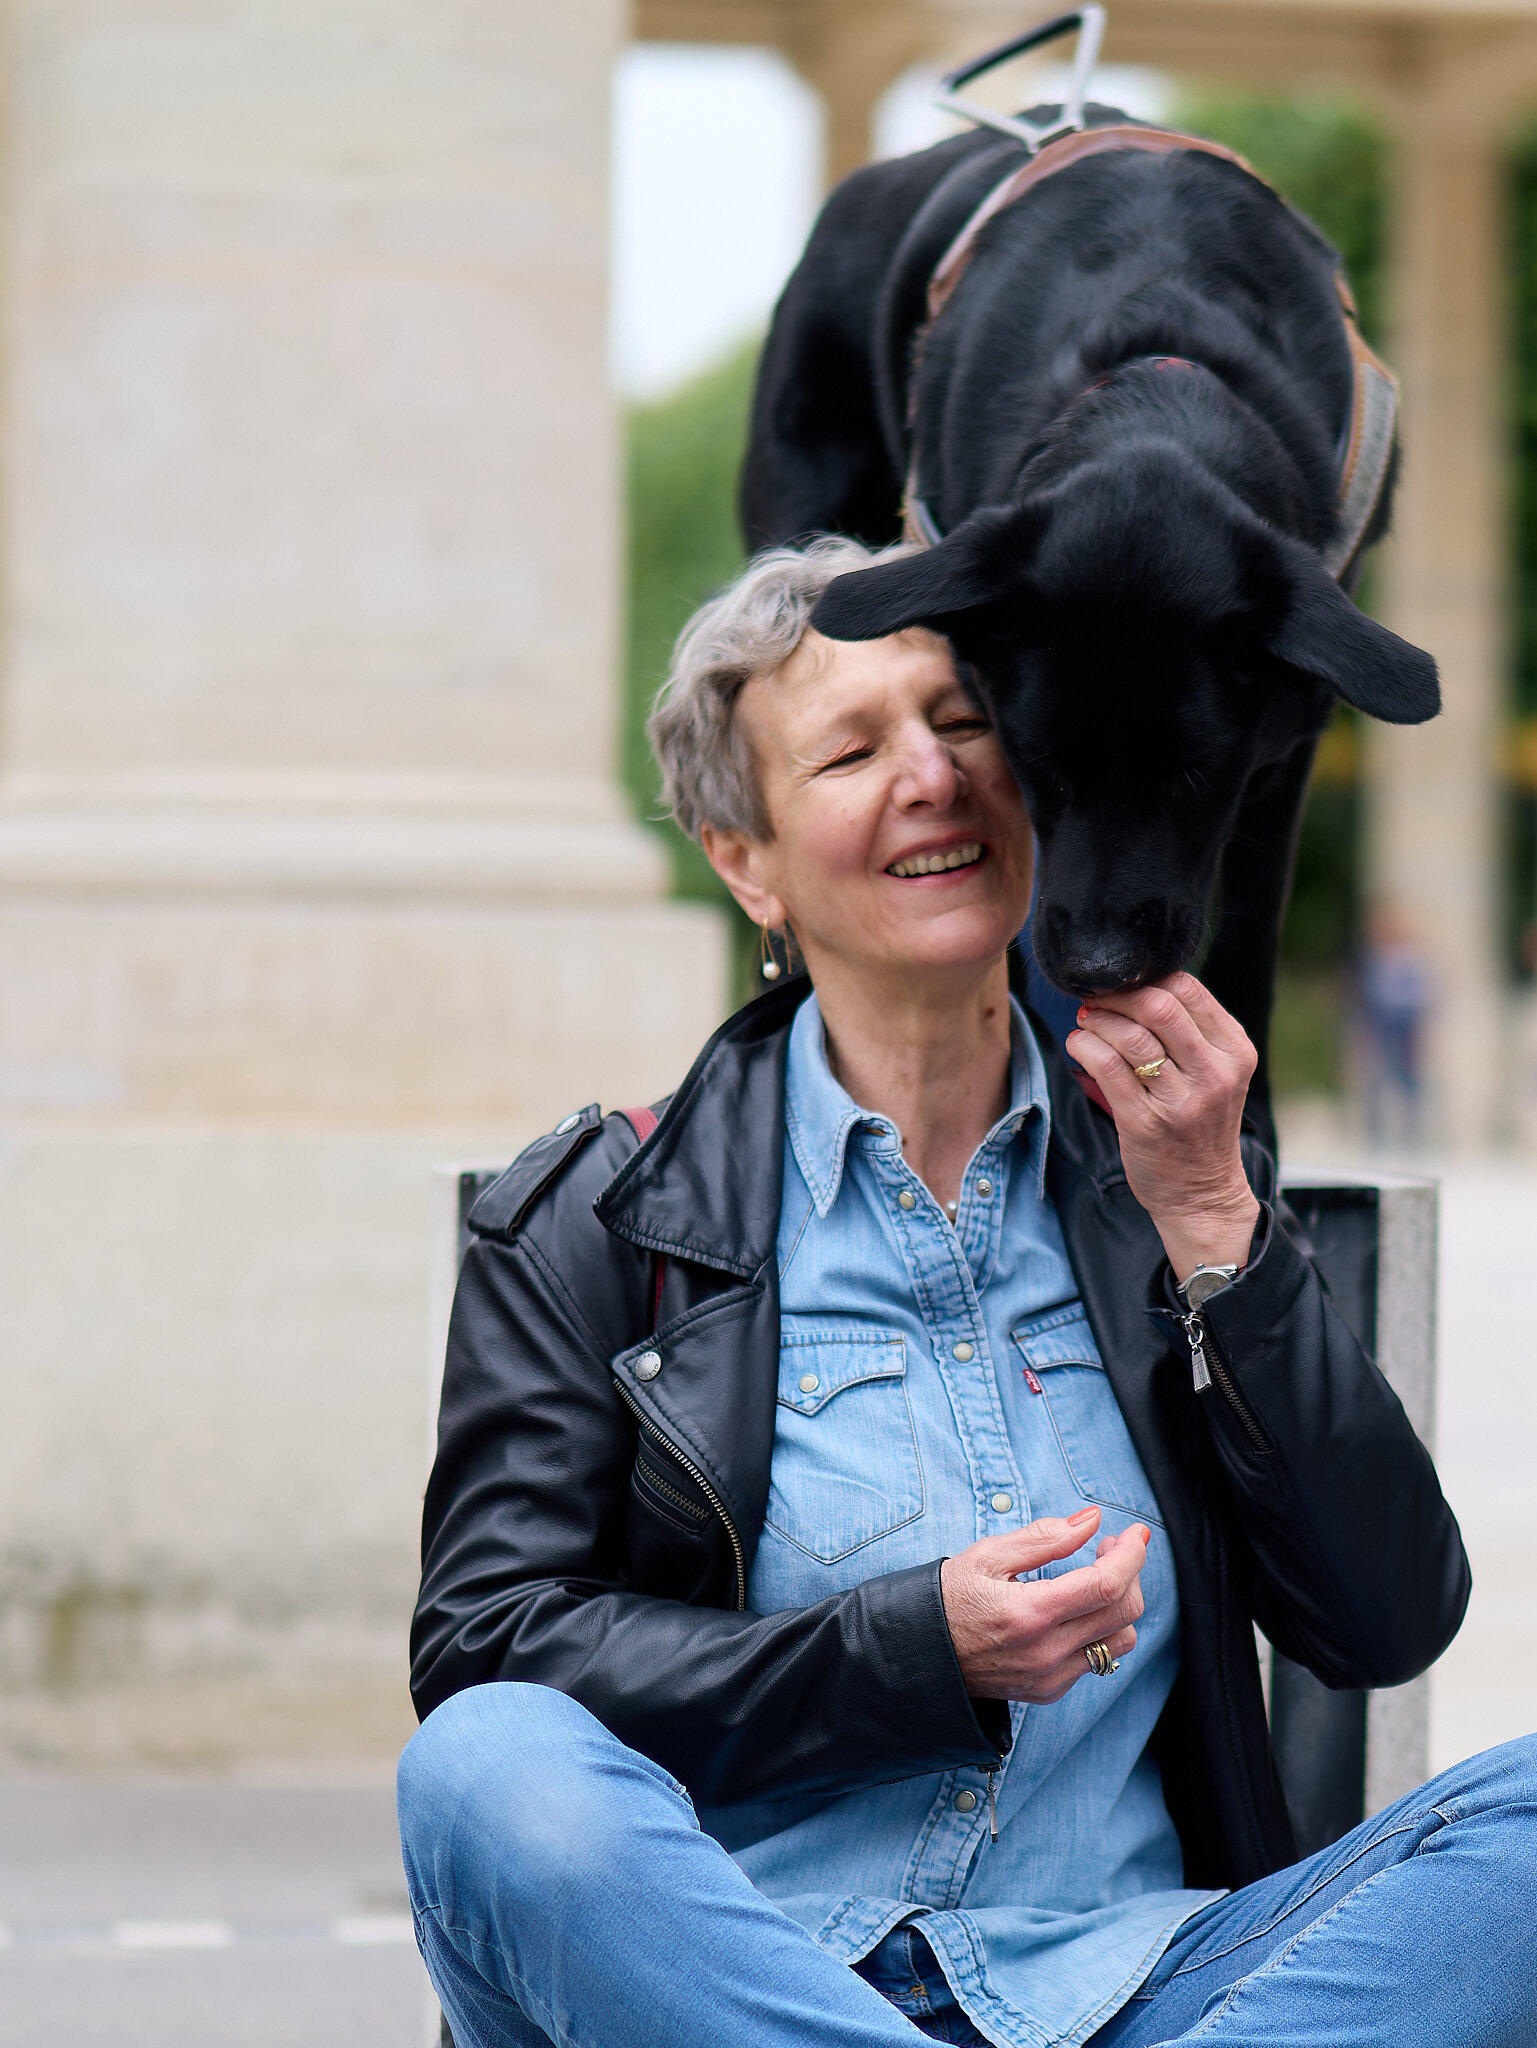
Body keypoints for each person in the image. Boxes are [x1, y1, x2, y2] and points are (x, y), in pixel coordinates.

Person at [398, 539, 1522, 2048]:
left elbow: (1388, 1618)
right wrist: (910, 1648)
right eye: (853, 749)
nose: (929, 774)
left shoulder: (1162, 1172)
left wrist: (1210, 1218)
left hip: (1144, 1980)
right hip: (743, 1983)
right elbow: (488, 1640)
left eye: (964, 723)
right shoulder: (599, 1219)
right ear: (746, 859)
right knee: (485, 1766)